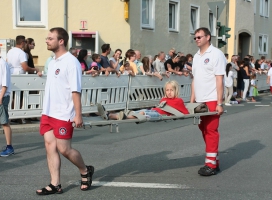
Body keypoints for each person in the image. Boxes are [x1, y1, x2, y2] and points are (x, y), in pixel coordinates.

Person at [36, 27, 94, 195]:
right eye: (47, 38)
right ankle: (55, 184)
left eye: (50, 38)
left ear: (61, 41)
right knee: (49, 146)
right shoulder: (52, 61)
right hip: (48, 112)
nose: (46, 41)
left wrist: (78, 114)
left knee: (64, 149)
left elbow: (75, 90)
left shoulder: (71, 62)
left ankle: (85, 170)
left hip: (63, 113)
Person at [190, 27, 226, 176]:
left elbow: (219, 79)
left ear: (208, 37)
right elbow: (195, 79)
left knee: (211, 130)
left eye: (199, 37)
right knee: (203, 129)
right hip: (199, 101)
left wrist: (219, 102)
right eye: (195, 37)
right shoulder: (196, 56)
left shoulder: (216, 54)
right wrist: (191, 101)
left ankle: (210, 165)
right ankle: (214, 160)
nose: (197, 39)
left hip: (211, 99)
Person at [98, 80, 189, 120]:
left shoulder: (178, 100)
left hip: (160, 115)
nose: (169, 92)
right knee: (136, 112)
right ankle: (109, 114)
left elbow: (185, 113)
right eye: (167, 90)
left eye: (171, 90)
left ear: (176, 90)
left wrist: (173, 115)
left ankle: (117, 116)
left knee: (143, 114)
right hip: (153, 110)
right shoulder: (164, 99)